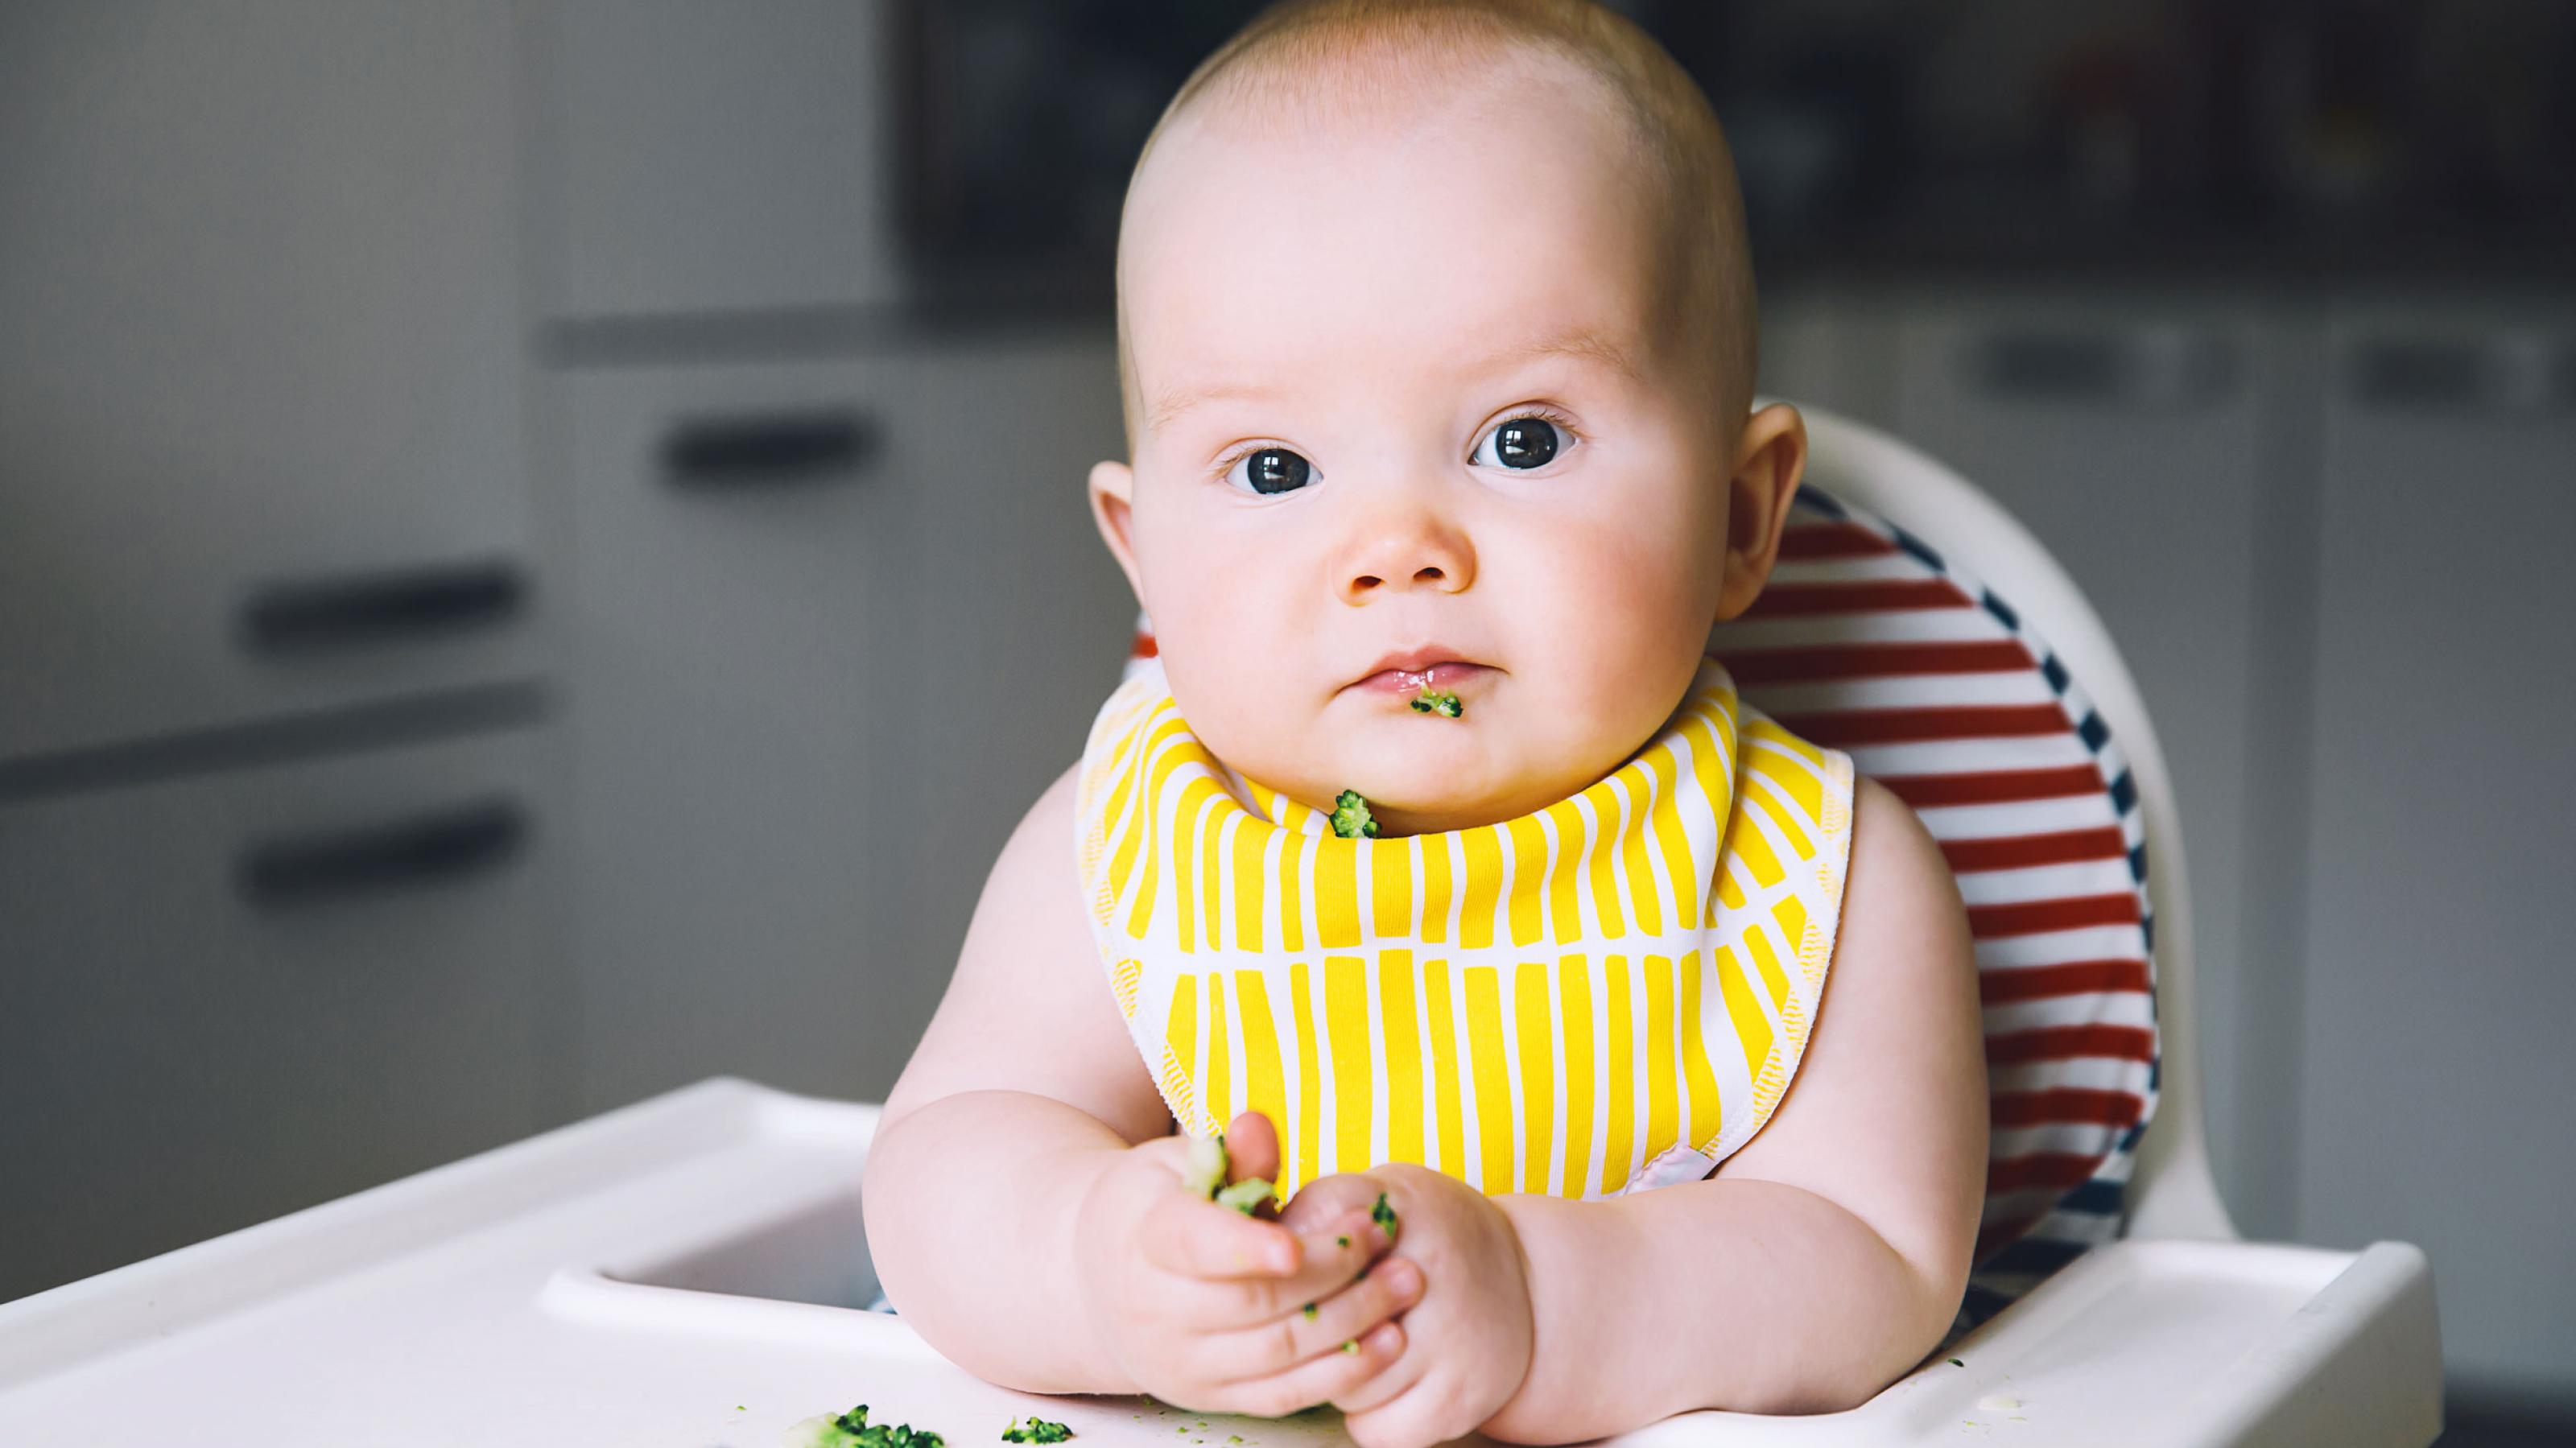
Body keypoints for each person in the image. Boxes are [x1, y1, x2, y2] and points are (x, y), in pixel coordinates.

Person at [861, 3, 1986, 1443]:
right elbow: (941, 1166)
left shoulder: (1817, 873)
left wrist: (1550, 1300)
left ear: (1740, 514)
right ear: (1147, 559)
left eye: (1522, 440)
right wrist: (1100, 1264)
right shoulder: (1129, 849)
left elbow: (1877, 1265)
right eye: (1273, 467)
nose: (1396, 547)